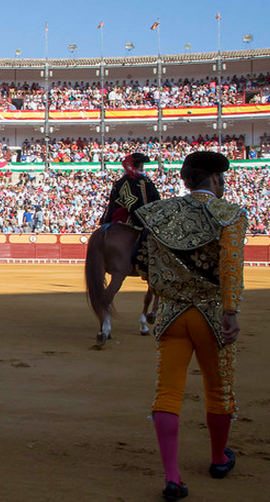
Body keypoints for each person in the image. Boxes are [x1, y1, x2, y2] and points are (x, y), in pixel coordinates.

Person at [132, 151, 246, 501]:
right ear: (214, 179)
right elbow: (231, 265)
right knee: (218, 390)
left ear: (185, 181)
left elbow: (142, 265)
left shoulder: (158, 213)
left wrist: (170, 290)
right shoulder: (229, 214)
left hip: (172, 316)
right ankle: (216, 459)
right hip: (212, 315)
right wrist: (230, 311)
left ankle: (172, 477)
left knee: (167, 393)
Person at [101, 152, 161, 226]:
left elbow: (113, 203)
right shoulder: (144, 182)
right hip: (138, 218)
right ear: (140, 166)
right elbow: (154, 199)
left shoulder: (119, 182)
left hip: (117, 216)